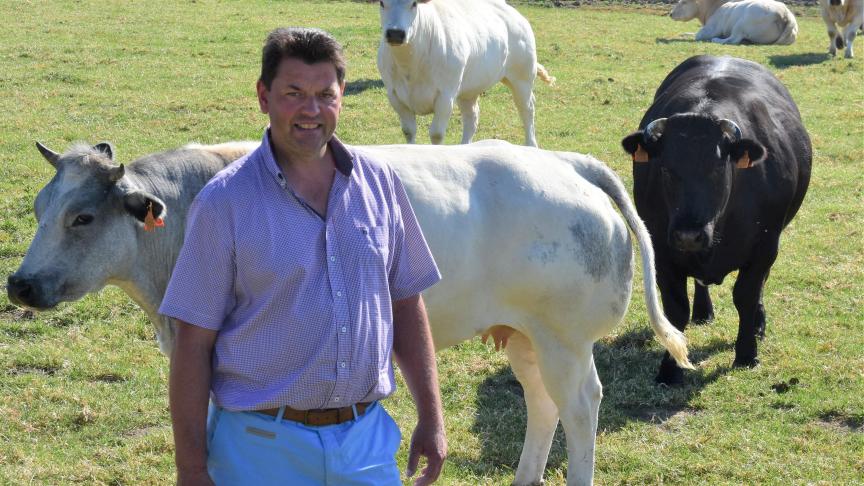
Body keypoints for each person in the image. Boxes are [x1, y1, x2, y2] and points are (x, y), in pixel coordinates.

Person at [159, 27, 446, 486]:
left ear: (342, 95)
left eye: (324, 94)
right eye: (293, 93)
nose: (311, 110)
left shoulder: (380, 184)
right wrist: (191, 469)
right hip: (259, 448)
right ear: (263, 96)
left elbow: (406, 303)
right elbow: (192, 343)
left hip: (365, 443)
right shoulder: (223, 203)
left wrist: (432, 417)